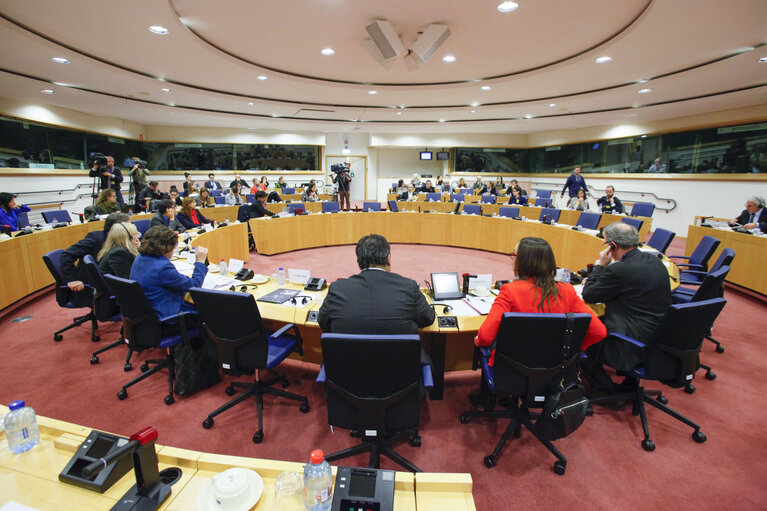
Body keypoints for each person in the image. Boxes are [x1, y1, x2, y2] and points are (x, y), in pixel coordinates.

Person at [476, 237, 606, 365]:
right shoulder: (567, 290)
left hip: (513, 371)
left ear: (523, 261)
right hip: (557, 370)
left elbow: (485, 337)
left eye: (514, 254)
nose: (512, 258)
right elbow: (599, 332)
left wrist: (479, 341)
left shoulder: (509, 291)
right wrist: (573, 351)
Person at [317, 234, 435, 367]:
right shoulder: (408, 287)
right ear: (388, 259)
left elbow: (323, 322)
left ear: (359, 261)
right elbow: (428, 319)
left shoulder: (338, 288)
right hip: (400, 377)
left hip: (347, 376)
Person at [581, 222, 672, 393]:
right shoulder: (655, 261)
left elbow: (589, 294)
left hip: (629, 343)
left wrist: (601, 266)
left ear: (613, 245)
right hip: (657, 337)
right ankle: (629, 383)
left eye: (606, 243)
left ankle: (606, 389)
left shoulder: (619, 270)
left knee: (579, 339)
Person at [130, 226, 208, 318]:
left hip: (147, 313)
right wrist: (200, 262)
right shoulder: (163, 267)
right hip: (166, 314)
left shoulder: (140, 257)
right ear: (167, 248)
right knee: (208, 308)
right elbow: (195, 285)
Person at [60, 212, 130, 304]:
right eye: (129, 225)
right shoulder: (95, 238)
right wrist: (72, 280)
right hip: (93, 286)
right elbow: (66, 254)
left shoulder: (122, 239)